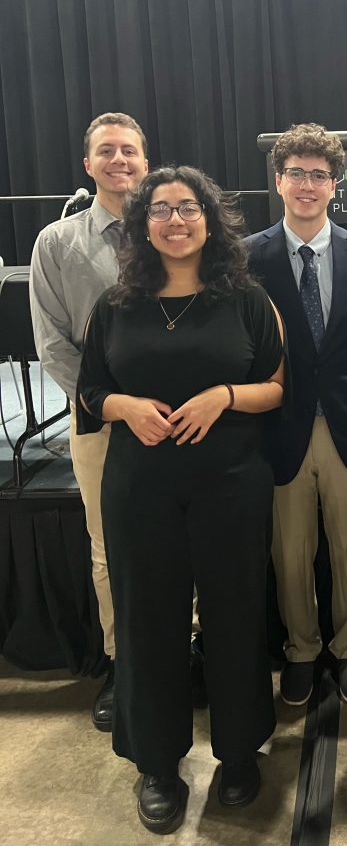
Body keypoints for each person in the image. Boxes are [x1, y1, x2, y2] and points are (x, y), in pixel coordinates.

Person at [77, 166, 284, 834]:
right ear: (142, 224)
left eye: (187, 208)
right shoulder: (115, 305)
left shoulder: (245, 299)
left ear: (210, 219)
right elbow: (88, 393)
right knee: (148, 621)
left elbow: (275, 386)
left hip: (231, 483)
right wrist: (124, 405)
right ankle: (157, 764)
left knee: (236, 615)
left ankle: (238, 752)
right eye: (160, 209)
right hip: (141, 486)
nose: (175, 219)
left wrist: (223, 396)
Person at [245, 123, 347, 707]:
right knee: (289, 552)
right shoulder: (247, 257)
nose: (308, 185)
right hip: (279, 426)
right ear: (278, 181)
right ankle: (302, 650)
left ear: (336, 185)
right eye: (297, 173)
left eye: (320, 175)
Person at [30, 111, 149, 730]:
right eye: (107, 150)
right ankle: (123, 662)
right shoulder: (57, 244)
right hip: (100, 425)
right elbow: (52, 343)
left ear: (146, 161)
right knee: (109, 550)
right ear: (88, 164)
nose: (119, 160)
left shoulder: (175, 229)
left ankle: (179, 654)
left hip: (178, 422)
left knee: (175, 541)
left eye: (129, 149)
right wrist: (107, 403)